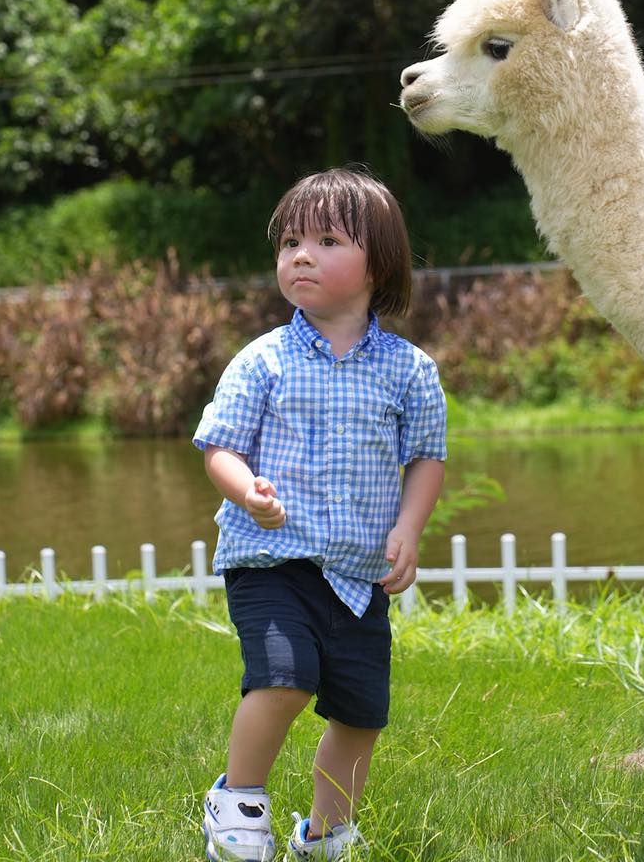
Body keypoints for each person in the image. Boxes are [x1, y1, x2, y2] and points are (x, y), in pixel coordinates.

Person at [195, 167, 447, 862]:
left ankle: (327, 831)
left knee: (361, 712)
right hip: (269, 559)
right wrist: (246, 491)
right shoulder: (263, 361)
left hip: (359, 573)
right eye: (290, 242)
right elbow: (220, 447)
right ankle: (238, 803)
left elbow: (427, 457)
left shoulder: (409, 371)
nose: (300, 255)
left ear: (379, 266)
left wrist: (409, 527)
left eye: (327, 240)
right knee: (283, 677)